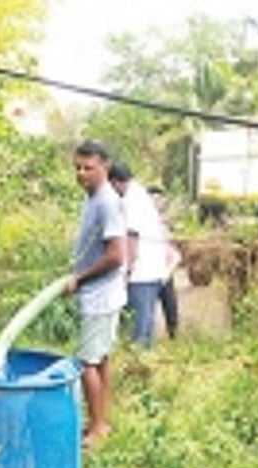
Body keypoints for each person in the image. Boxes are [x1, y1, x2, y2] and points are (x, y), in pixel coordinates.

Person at [67, 140, 127, 449]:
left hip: (100, 295)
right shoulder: (92, 199)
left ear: (104, 167)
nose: (81, 173)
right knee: (101, 358)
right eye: (77, 167)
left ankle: (97, 428)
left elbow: (117, 254)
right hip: (100, 293)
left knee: (86, 362)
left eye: (88, 168)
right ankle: (101, 422)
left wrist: (80, 278)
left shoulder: (105, 201)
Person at [109, 163, 172, 347]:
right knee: (145, 325)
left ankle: (137, 364)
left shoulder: (131, 200)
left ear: (115, 182)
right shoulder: (139, 195)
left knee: (138, 328)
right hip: (151, 272)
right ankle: (144, 364)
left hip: (141, 273)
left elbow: (132, 236)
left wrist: (126, 269)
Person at [147, 185, 181, 340]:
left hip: (166, 272)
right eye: (153, 199)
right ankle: (146, 340)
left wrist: (170, 267)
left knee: (170, 306)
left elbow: (172, 249)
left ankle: (173, 336)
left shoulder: (165, 224)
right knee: (147, 308)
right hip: (148, 272)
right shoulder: (141, 222)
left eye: (159, 199)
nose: (156, 202)